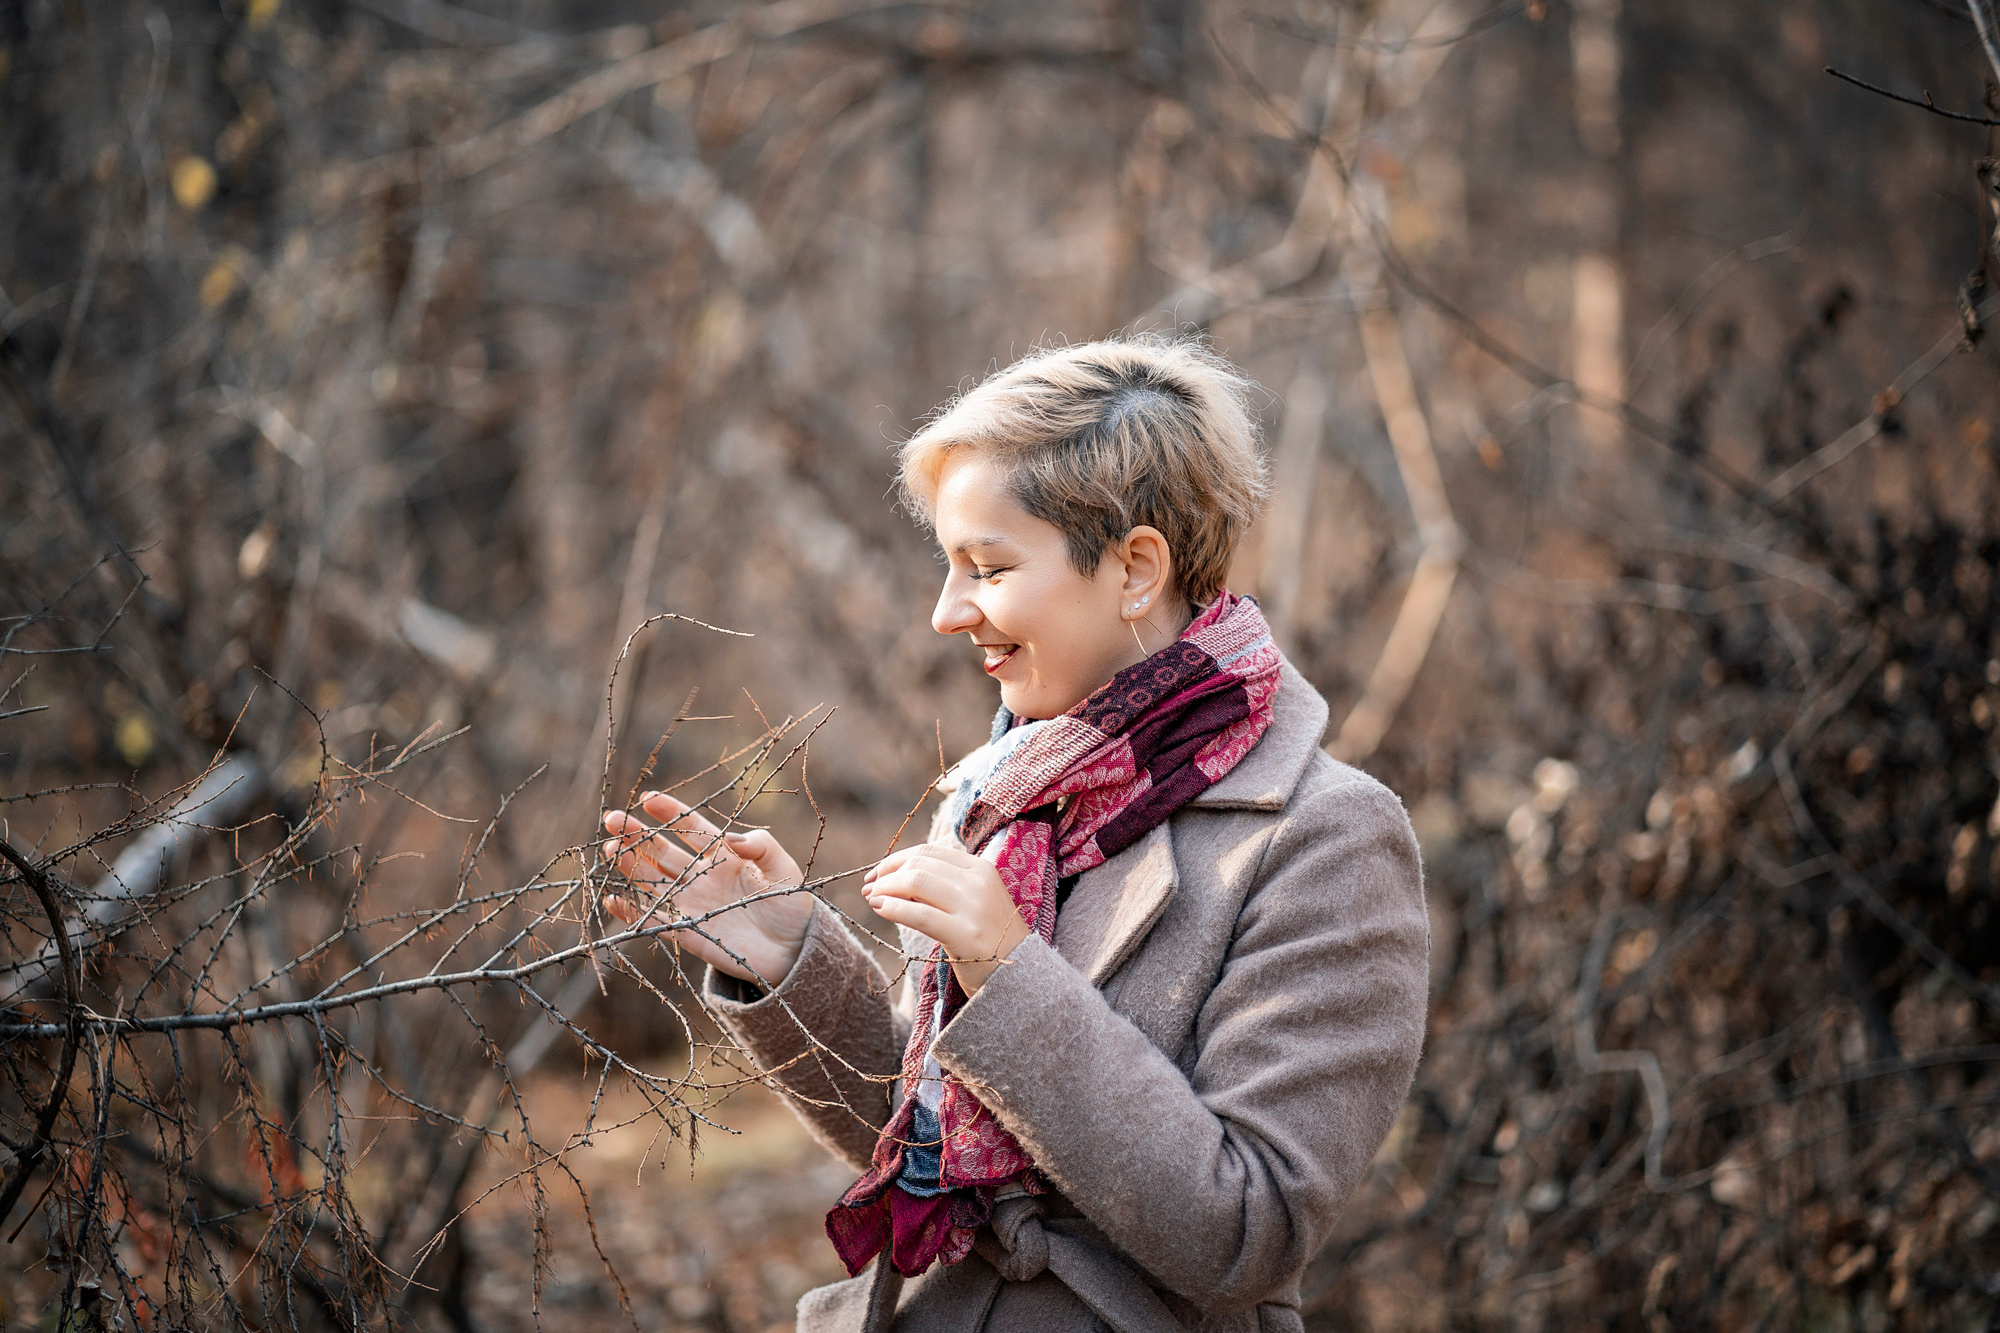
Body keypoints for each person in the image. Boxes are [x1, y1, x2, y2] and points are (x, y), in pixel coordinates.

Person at [601, 335, 1429, 1332]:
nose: (948, 612)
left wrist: (1007, 963)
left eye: (985, 567)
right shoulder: (1006, 791)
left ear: (1133, 569)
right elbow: (937, 1144)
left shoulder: (1326, 837)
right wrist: (791, 963)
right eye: (949, 566)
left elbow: (1246, 1231)